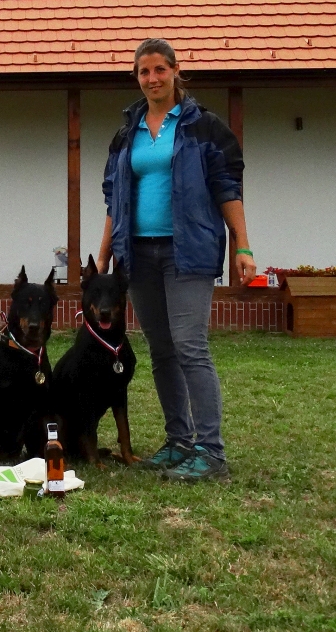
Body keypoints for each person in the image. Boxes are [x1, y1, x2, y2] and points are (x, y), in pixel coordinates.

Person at [98, 38, 255, 483]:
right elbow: (114, 200)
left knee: (191, 347)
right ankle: (179, 441)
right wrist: (105, 257)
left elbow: (228, 188)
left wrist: (242, 246)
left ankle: (212, 451)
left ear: (175, 71)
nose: (152, 79)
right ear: (137, 78)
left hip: (188, 251)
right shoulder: (127, 132)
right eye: (144, 72)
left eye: (159, 70)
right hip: (139, 255)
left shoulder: (204, 127)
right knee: (162, 350)